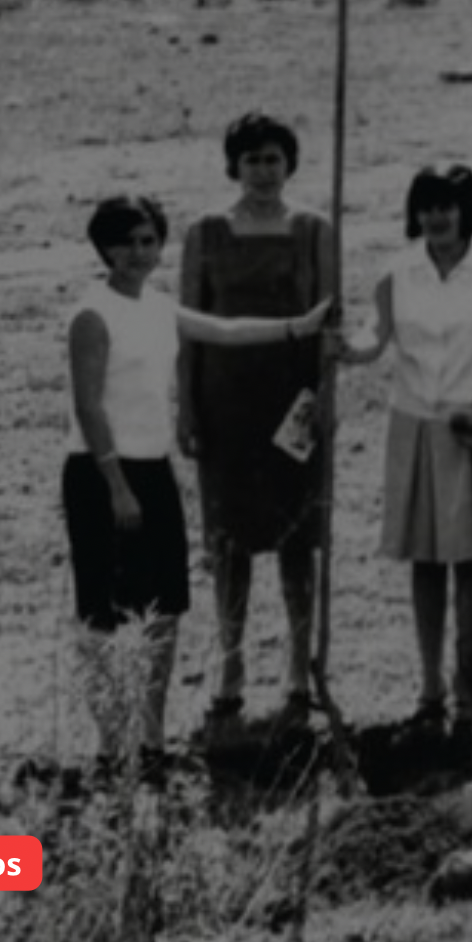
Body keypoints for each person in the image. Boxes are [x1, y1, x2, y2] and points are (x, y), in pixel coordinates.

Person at [66, 195, 329, 775]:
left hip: (153, 467)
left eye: (147, 241)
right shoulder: (92, 313)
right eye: (124, 242)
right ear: (103, 248)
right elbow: (88, 406)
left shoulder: (159, 305)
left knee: (164, 609)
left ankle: (151, 740)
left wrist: (298, 326)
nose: (137, 253)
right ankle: (107, 746)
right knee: (102, 613)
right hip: (100, 471)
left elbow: (226, 330)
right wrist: (115, 485)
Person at [339, 166, 472, 734]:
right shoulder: (396, 273)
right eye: (426, 207)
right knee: (426, 562)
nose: (436, 218)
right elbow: (375, 337)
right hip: (416, 425)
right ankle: (430, 685)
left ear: (466, 210)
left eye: (447, 206)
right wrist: (347, 348)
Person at [177, 113, 337, 728]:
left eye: (273, 159)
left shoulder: (315, 229)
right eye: (252, 161)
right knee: (229, 538)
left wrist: (326, 395)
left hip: (292, 400)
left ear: (289, 163)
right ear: (233, 166)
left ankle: (298, 664)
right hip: (226, 400)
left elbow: (331, 323)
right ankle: (231, 661)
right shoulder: (205, 232)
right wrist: (187, 405)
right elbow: (189, 327)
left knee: (298, 535)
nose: (264, 172)